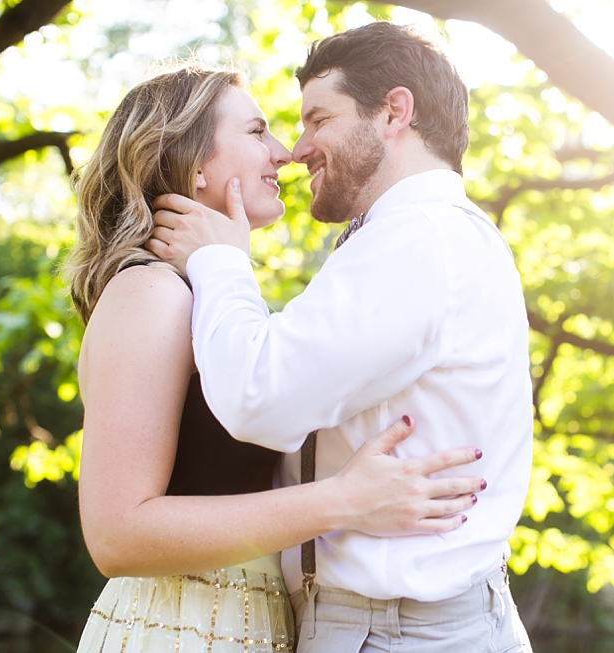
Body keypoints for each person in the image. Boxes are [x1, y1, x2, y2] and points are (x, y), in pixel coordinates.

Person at [67, 61, 487, 653]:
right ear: (193, 161)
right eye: (257, 131)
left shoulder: (210, 297)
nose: (286, 152)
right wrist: (344, 501)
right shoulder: (152, 292)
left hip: (247, 625)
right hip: (177, 629)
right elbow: (116, 535)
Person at [148, 22, 534, 652]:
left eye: (318, 120)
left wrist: (221, 261)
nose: (297, 149)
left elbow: (258, 397)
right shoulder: (412, 237)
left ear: (394, 112)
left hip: (401, 632)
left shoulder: (421, 241)